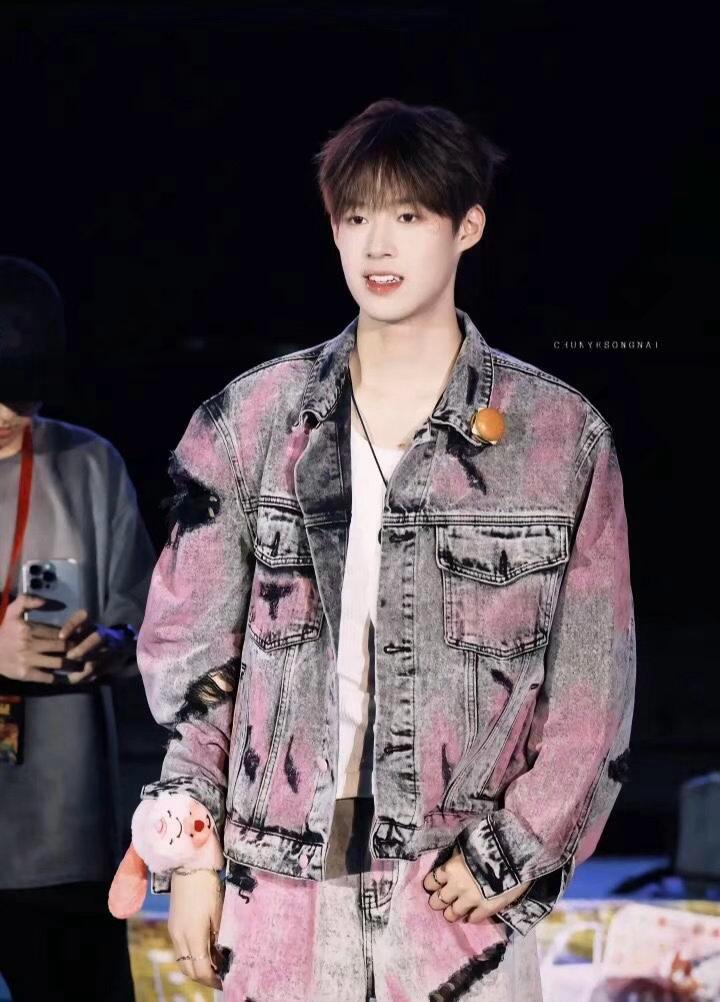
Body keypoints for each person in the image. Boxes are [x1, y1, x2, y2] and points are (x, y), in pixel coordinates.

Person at [120, 99, 636, 1001]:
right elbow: (194, 661)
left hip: (453, 896)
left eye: (408, 215)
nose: (378, 245)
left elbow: (593, 686)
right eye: (355, 217)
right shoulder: (252, 422)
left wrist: (513, 851)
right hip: (276, 889)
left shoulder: (558, 439)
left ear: (467, 226)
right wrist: (193, 851)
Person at [0, 257, 156, 1001]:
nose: (11, 408)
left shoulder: (90, 465)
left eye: (25, 388)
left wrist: (116, 648)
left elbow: (154, 627)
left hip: (64, 834)